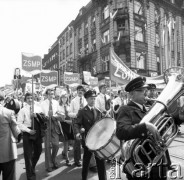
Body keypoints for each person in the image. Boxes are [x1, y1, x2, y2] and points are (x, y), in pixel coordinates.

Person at [116, 76, 167, 180]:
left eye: (146, 90)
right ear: (131, 94)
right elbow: (121, 131)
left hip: (158, 162)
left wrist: (178, 117)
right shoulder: (125, 109)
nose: (146, 93)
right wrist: (145, 127)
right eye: (142, 91)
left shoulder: (150, 109)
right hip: (139, 164)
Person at [74, 90, 107, 180]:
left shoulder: (98, 111)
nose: (93, 100)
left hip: (98, 141)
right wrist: (77, 132)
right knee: (86, 162)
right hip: (88, 140)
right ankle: (84, 178)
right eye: (91, 99)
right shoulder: (82, 111)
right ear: (87, 99)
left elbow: (101, 124)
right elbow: (77, 124)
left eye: (94, 98)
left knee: (101, 162)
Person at [17, 92, 42, 180]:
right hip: (27, 132)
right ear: (25, 99)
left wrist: (37, 116)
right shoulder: (22, 110)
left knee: (38, 151)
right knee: (28, 155)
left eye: (31, 98)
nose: (30, 100)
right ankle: (30, 175)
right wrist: (28, 130)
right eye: (28, 98)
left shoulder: (38, 108)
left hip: (37, 131)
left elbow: (43, 119)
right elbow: (19, 123)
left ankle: (32, 167)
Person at [0, 91, 21, 180]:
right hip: (8, 151)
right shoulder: (9, 112)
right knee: (9, 177)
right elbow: (17, 132)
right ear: (3, 100)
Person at [41, 88, 62, 172]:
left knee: (56, 145)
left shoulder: (56, 102)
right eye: (49, 94)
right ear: (46, 95)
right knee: (47, 147)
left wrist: (56, 115)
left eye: (52, 94)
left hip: (55, 124)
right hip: (47, 125)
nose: (51, 95)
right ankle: (48, 165)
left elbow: (58, 112)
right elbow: (41, 114)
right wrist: (46, 116)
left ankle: (53, 159)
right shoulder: (42, 103)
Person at [58, 93, 74, 166]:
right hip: (62, 124)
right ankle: (67, 159)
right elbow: (57, 115)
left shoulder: (69, 105)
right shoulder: (58, 106)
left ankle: (64, 152)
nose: (64, 99)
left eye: (66, 97)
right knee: (65, 141)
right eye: (63, 97)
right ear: (61, 98)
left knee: (69, 141)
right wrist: (60, 115)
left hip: (69, 124)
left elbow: (71, 114)